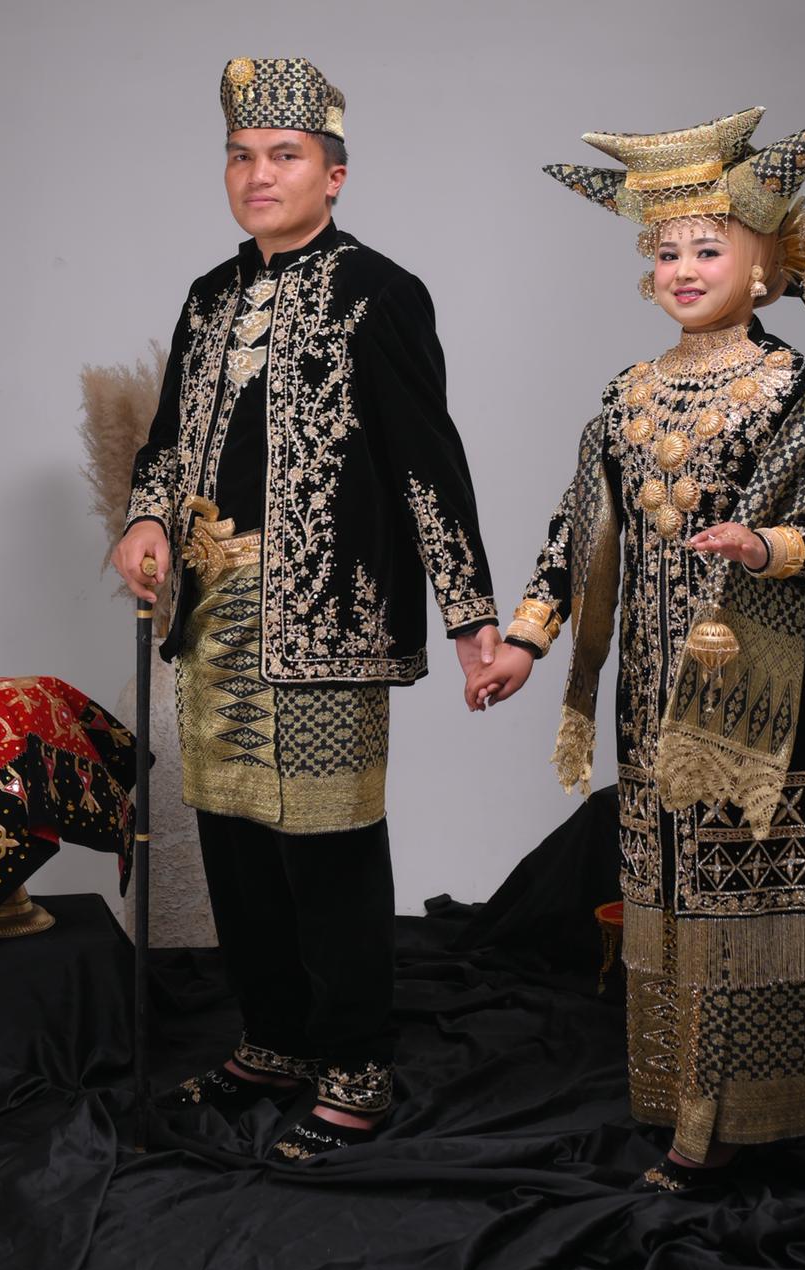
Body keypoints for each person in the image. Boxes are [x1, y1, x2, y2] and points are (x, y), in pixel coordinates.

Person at [467, 109, 805, 1190]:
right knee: (669, 888)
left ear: (765, 263)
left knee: (738, 899)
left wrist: (765, 543)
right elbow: (577, 532)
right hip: (650, 693)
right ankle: (676, 1095)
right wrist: (525, 641)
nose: (684, 268)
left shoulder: (793, 389)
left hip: (757, 686)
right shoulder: (626, 395)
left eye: (708, 247)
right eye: (666, 251)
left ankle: (730, 1116)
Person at [112, 57, 499, 1161]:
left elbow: (428, 463)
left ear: (334, 174)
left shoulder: (380, 291)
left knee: (326, 848)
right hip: (211, 614)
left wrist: (470, 617)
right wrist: (144, 519)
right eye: (241, 156)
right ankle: (273, 1040)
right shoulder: (208, 296)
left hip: (328, 614)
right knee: (234, 841)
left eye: (283, 156)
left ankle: (355, 1069)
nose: (258, 175)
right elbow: (166, 443)